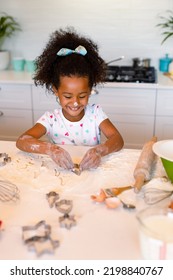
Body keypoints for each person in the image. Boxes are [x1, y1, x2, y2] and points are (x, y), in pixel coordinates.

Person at [16, 27, 124, 171]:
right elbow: (22, 141)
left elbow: (118, 140)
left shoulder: (95, 114)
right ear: (55, 90)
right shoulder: (50, 119)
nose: (75, 102)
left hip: (91, 174)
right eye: (68, 96)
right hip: (61, 175)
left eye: (82, 96)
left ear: (90, 90)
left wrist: (99, 151)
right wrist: (50, 149)